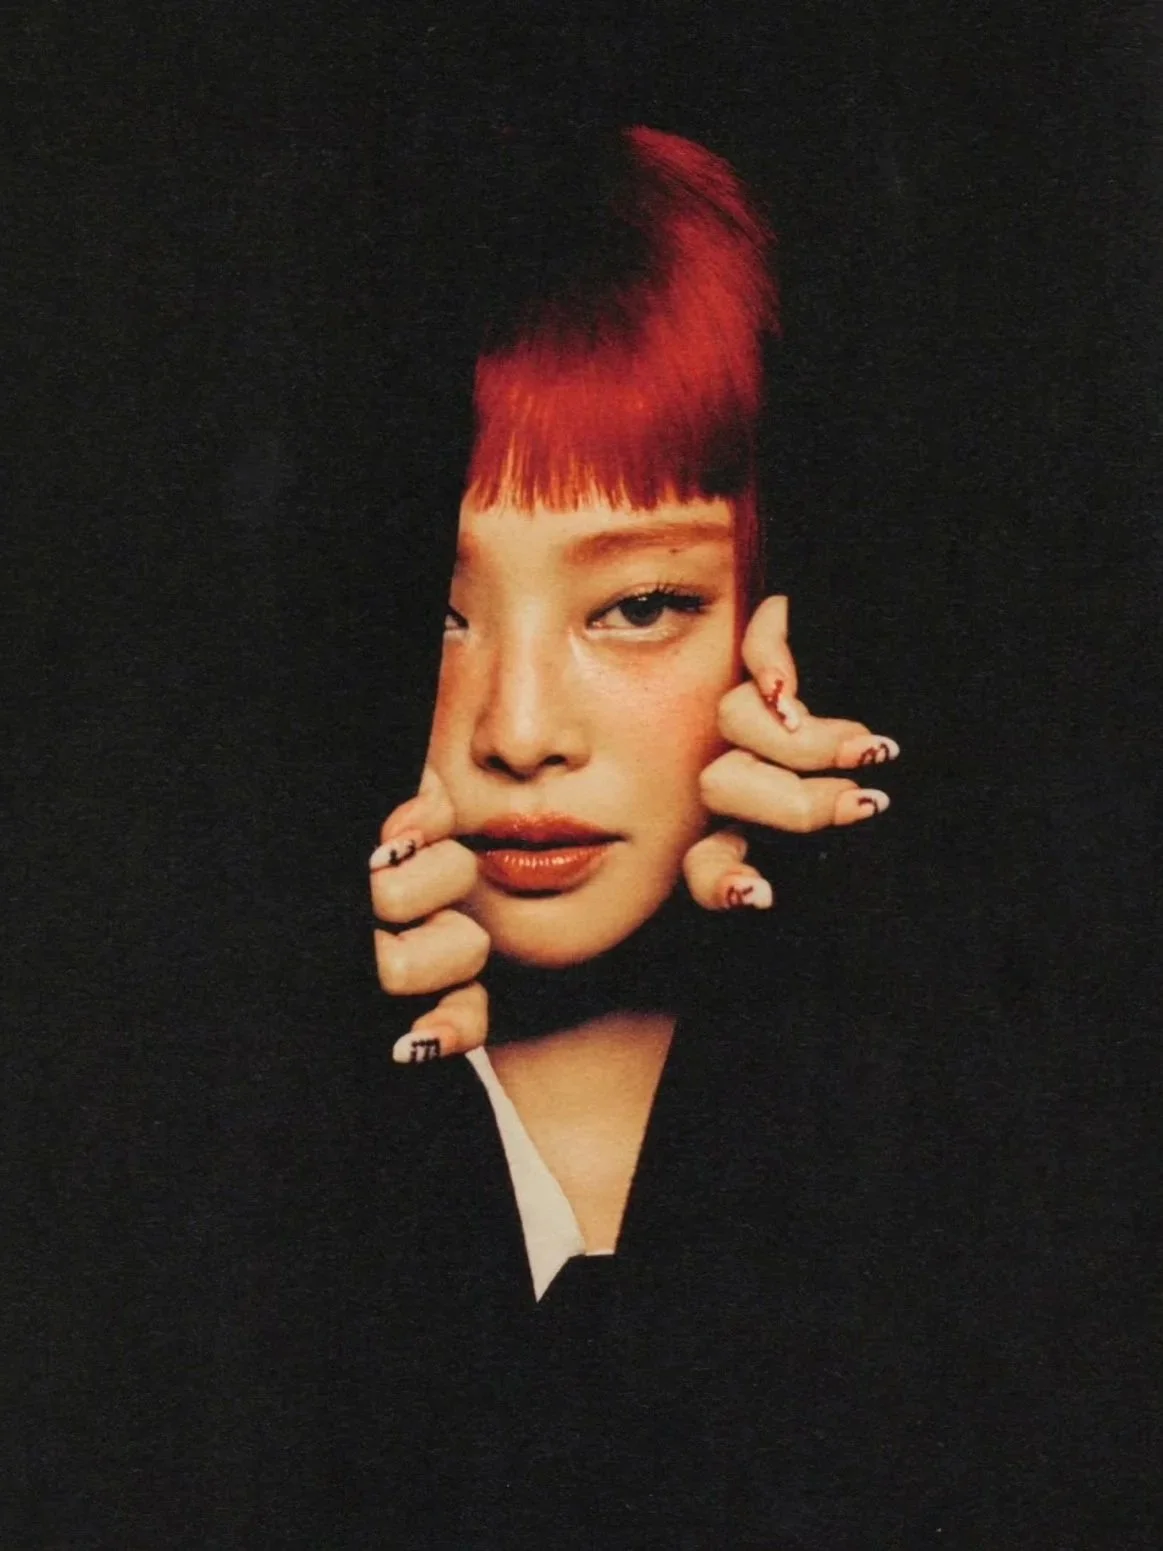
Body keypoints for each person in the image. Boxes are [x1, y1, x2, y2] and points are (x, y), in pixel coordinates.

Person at [306, 125, 948, 1547]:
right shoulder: (219, 1161)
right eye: (441, 614)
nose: (521, 729)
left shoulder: (939, 1126)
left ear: (776, 612)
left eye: (638, 605)